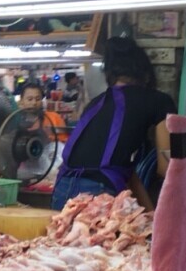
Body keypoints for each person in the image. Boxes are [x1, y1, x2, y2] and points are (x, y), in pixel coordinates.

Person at [51, 37, 175, 211]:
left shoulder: (95, 104)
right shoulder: (162, 101)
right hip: (98, 195)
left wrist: (151, 214)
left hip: (62, 188)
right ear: (146, 72)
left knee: (61, 238)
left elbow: (123, 171)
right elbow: (168, 165)